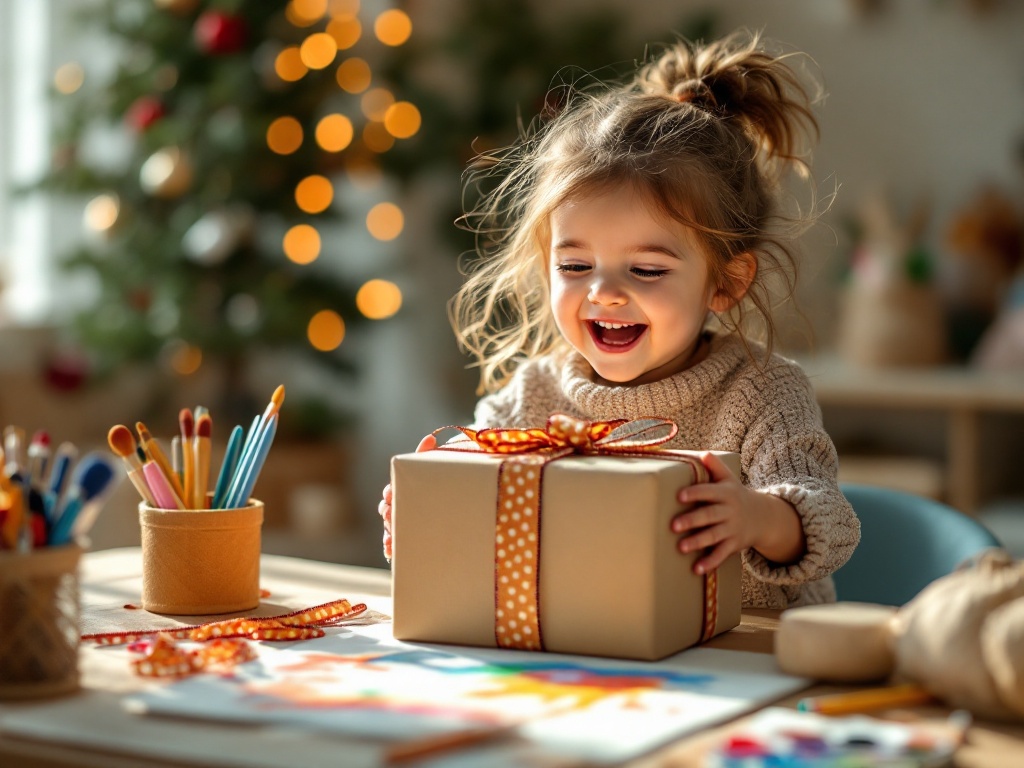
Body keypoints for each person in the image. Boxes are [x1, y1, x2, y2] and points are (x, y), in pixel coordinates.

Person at [379, 30, 860, 609]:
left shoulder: (764, 393)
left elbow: (829, 522)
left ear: (727, 282)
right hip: (599, 662)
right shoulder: (534, 395)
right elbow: (477, 501)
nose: (604, 294)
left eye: (648, 271)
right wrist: (434, 509)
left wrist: (757, 516)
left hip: (750, 664)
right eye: (576, 265)